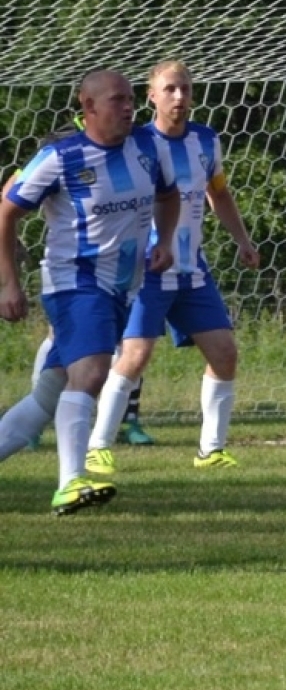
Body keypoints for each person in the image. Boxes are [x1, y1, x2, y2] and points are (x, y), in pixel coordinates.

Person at [0, 69, 179, 514]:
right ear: (88, 107)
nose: (128, 107)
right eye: (117, 99)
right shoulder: (60, 157)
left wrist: (167, 242)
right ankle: (70, 482)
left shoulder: (147, 147)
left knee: (48, 395)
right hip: (74, 283)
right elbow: (5, 213)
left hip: (121, 288)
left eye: (131, 99)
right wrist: (8, 282)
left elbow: (169, 195)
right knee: (95, 372)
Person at [83, 60, 260, 475]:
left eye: (184, 89)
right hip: (146, 269)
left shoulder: (205, 140)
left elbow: (220, 193)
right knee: (135, 355)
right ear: (151, 96)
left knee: (224, 352)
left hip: (191, 269)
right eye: (169, 90)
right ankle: (97, 445)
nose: (179, 97)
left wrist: (243, 240)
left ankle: (211, 450)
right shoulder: (135, 142)